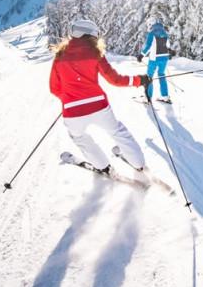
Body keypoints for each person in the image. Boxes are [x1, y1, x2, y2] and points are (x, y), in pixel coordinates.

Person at [50, 18, 150, 173]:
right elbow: (115, 79)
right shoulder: (95, 53)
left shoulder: (60, 56)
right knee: (118, 132)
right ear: (90, 35)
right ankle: (139, 164)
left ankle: (103, 167)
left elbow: (54, 88)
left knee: (80, 138)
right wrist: (139, 80)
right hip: (99, 106)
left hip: (72, 111)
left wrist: (70, 99)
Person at [137, 18, 172, 103]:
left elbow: (148, 46)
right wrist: (169, 53)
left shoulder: (152, 33)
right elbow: (168, 46)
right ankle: (165, 96)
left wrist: (141, 55)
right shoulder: (164, 33)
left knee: (149, 77)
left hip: (154, 58)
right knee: (161, 75)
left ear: (151, 25)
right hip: (164, 58)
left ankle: (148, 97)